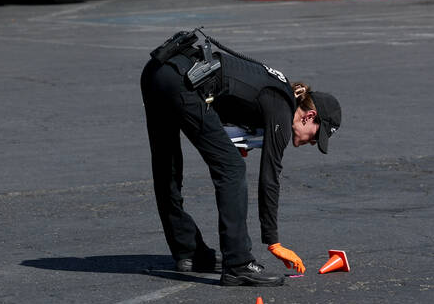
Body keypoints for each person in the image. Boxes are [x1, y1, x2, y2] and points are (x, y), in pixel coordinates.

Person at [140, 29, 342, 287]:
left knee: (167, 167)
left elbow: (226, 97)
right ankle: (237, 264)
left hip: (158, 71)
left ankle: (188, 251)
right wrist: (273, 241)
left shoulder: (276, 90)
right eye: (315, 136)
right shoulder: (282, 108)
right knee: (232, 170)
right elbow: (270, 178)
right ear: (309, 116)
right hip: (182, 80)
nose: (310, 143)